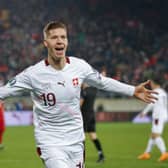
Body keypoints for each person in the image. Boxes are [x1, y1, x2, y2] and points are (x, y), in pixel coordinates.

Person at [0, 21, 157, 168]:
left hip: (76, 141)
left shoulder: (79, 66)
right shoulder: (33, 74)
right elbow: (3, 92)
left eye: (63, 37)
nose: (60, 41)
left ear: (67, 41)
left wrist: (132, 90)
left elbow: (102, 82)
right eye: (54, 37)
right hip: (49, 142)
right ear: (46, 43)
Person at [138, 77, 168, 162]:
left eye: (151, 83)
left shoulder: (156, 92)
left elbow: (151, 103)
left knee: (156, 135)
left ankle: (164, 153)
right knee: (152, 135)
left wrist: (144, 112)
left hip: (158, 116)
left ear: (155, 84)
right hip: (163, 115)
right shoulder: (163, 93)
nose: (151, 85)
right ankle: (147, 153)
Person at [80, 83, 105, 163]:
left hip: (83, 116)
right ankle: (101, 155)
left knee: (80, 137)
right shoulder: (93, 90)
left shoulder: (83, 92)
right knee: (93, 135)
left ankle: (80, 158)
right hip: (91, 115)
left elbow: (79, 105)